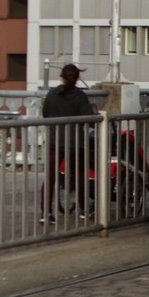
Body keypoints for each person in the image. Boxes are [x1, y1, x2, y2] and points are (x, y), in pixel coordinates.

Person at [41, 63, 96, 222]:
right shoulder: (80, 96)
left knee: (50, 177)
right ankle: (84, 209)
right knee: (79, 176)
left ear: (61, 78)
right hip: (75, 143)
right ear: (78, 78)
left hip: (54, 141)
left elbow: (45, 113)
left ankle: (46, 213)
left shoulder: (52, 94)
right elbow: (89, 119)